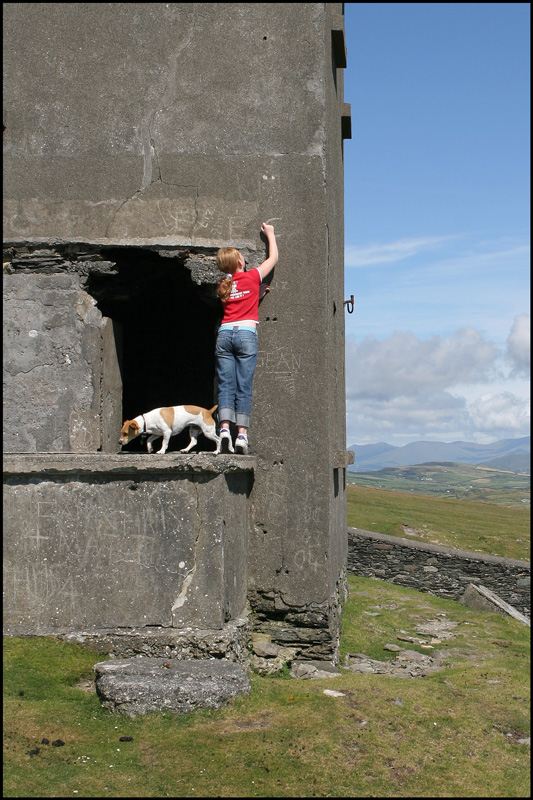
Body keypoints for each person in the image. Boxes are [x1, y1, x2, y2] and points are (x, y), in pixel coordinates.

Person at [215, 222, 278, 454]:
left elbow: (236, 300)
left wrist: (257, 294)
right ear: (240, 262)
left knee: (225, 385)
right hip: (245, 335)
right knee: (244, 386)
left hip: (224, 335)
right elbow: (273, 259)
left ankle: (223, 430)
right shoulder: (252, 277)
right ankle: (241, 435)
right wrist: (270, 234)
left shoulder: (223, 285)